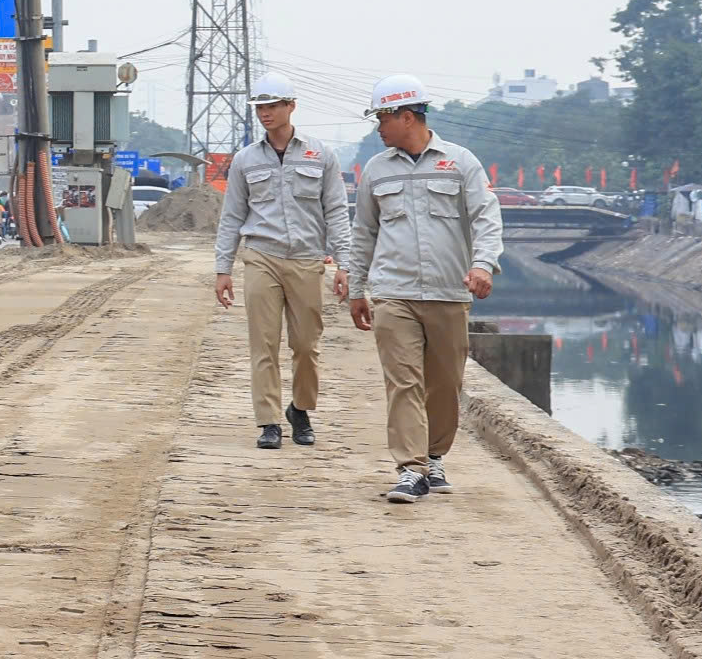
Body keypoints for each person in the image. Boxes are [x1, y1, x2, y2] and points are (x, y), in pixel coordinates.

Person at [345, 75, 504, 503]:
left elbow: (487, 218)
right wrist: (356, 289)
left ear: (408, 117)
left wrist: (483, 265)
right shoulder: (376, 172)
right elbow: (363, 234)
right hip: (393, 294)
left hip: (448, 293)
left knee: (444, 384)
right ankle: (410, 468)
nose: (377, 128)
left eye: (382, 118)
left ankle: (434, 456)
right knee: (403, 382)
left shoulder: (461, 162)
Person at [213, 74, 353, 451]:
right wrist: (223, 268)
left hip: (307, 259)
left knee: (307, 345)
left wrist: (344, 263)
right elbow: (232, 216)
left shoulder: (320, 155)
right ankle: (269, 421)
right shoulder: (245, 160)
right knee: (264, 343)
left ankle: (301, 409)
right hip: (261, 257)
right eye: (260, 107)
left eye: (273, 106)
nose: (265, 114)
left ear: (291, 106)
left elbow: (336, 210)